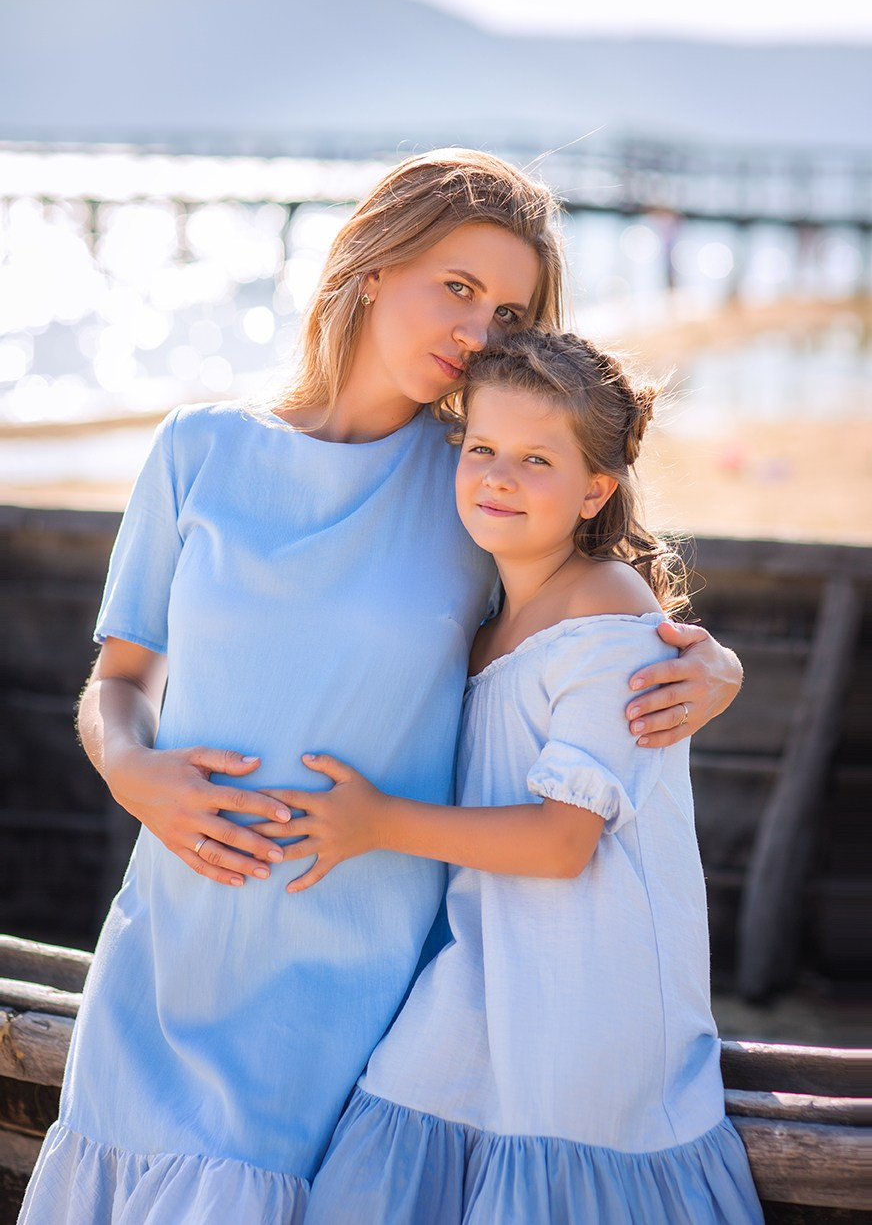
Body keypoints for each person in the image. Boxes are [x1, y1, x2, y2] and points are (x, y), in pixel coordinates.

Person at [19, 151, 742, 1224]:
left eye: (507, 312)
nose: (476, 330)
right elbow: (119, 679)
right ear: (369, 266)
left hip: (356, 964)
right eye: (456, 287)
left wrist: (708, 665)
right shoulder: (198, 449)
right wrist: (132, 771)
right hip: (175, 937)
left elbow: (591, 606)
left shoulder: (471, 483)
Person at [283, 332, 763, 1224]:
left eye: (535, 460)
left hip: (588, 999)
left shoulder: (611, 611)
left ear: (595, 490)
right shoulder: (487, 613)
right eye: (481, 451)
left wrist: (375, 821)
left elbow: (559, 841)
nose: (498, 477)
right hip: (484, 968)